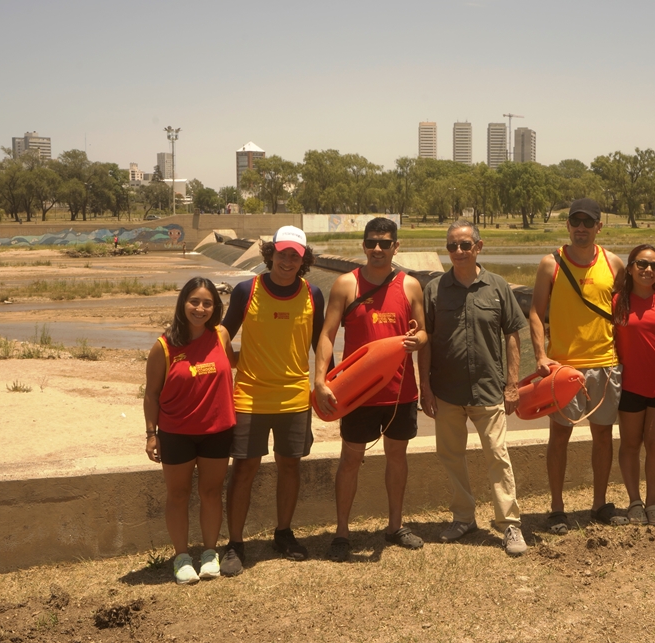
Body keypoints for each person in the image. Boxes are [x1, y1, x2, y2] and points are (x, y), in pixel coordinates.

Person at [314, 217, 427, 562]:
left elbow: (423, 333)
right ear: (363, 246)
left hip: (400, 393)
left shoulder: (411, 286)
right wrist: (320, 381)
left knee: (397, 456)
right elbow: (327, 335)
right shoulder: (346, 285)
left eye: (385, 243)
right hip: (357, 394)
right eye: (372, 242)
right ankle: (342, 532)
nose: (378, 248)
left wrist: (415, 341)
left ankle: (395, 525)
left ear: (396, 246)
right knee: (350, 459)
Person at [218, 226, 326, 575]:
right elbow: (223, 333)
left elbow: (320, 344)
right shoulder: (246, 291)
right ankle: (235, 544)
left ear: (304, 258)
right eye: (282, 253)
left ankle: (283, 532)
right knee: (245, 468)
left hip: (295, 396)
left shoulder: (314, 295)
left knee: (289, 465)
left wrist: (330, 382)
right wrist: (233, 362)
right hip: (249, 396)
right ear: (270, 253)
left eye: (295, 254)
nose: (287, 260)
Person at [418, 219, 528, 557]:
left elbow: (512, 334)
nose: (458, 251)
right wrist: (425, 387)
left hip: (489, 389)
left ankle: (509, 524)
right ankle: (464, 517)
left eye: (465, 245)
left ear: (479, 247)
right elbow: (426, 341)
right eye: (452, 246)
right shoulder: (435, 289)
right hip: (447, 390)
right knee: (451, 457)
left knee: (497, 456)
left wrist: (513, 384)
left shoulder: (496, 287)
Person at [529, 197, 626, 534]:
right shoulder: (550, 264)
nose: (581, 228)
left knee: (603, 436)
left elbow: (623, 312)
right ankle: (557, 508)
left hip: (606, 364)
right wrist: (541, 356)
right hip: (565, 368)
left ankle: (599, 503)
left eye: (588, 222)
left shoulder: (613, 263)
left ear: (599, 226)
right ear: (568, 225)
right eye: (575, 222)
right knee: (560, 437)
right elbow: (535, 312)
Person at [143, 277, 236, 585]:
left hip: (217, 430)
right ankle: (181, 557)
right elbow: (151, 394)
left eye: (207, 303)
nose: (200, 308)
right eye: (194, 301)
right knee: (178, 494)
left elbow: (235, 363)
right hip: (176, 433)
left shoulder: (221, 335)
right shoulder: (164, 345)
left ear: (215, 307)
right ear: (183, 303)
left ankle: (210, 553)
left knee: (211, 492)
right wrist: (151, 433)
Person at [613, 245, 655, 527]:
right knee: (630, 444)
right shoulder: (616, 302)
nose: (648, 270)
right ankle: (634, 502)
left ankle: (652, 502)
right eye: (642, 264)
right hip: (628, 386)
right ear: (629, 268)